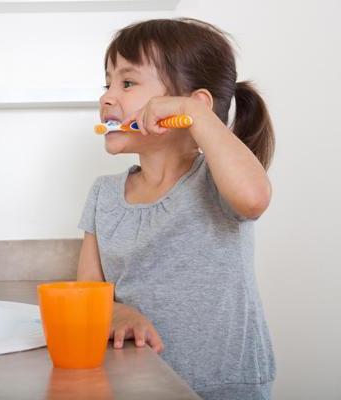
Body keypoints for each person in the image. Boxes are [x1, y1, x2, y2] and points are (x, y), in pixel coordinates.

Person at [77, 18, 276, 400]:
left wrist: (199, 116)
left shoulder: (216, 180)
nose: (106, 98)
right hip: (138, 383)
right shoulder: (103, 195)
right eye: (107, 84)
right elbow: (89, 288)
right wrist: (115, 313)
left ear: (190, 105)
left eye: (128, 83)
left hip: (226, 385)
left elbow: (254, 199)